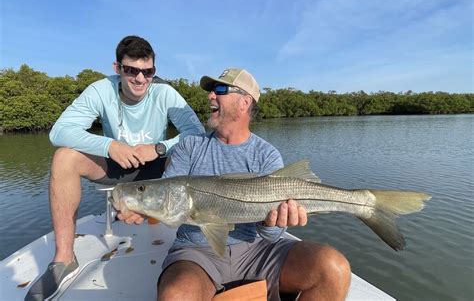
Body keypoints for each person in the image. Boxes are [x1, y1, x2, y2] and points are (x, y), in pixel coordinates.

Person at [119, 68, 351, 301]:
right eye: (211, 90)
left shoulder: (266, 154)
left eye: (219, 89)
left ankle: (363, 204)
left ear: (245, 102)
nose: (210, 96)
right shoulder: (189, 146)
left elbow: (271, 235)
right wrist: (142, 205)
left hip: (258, 250)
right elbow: (170, 201)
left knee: (334, 269)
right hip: (195, 252)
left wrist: (275, 223)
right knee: (176, 295)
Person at [25, 35, 205, 301]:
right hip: (116, 165)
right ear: (117, 68)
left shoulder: (164, 92)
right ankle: (63, 259)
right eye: (132, 70)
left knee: (196, 154)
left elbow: (196, 133)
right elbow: (59, 131)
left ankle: (197, 243)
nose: (141, 79)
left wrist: (159, 148)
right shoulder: (100, 90)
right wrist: (110, 146)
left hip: (159, 168)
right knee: (64, 157)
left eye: (148, 72)